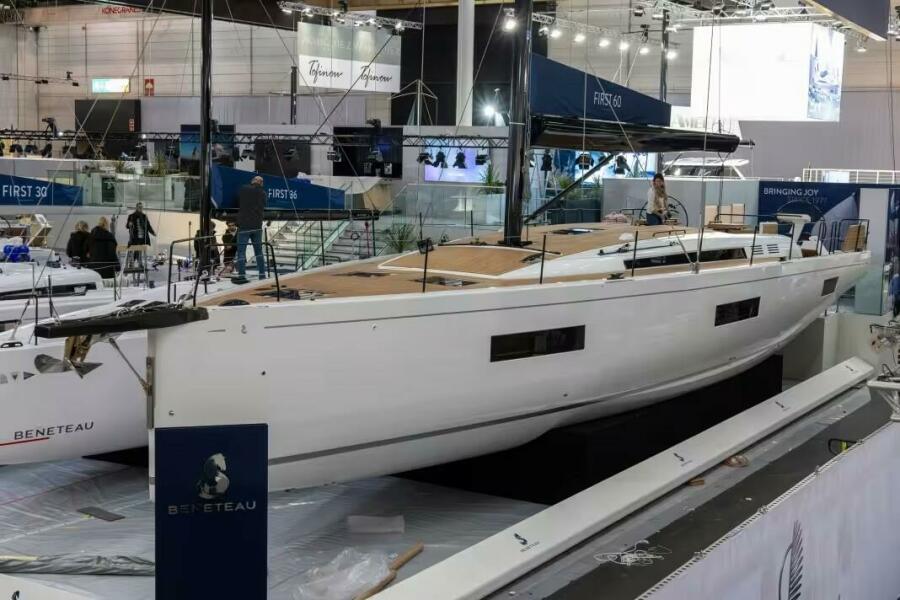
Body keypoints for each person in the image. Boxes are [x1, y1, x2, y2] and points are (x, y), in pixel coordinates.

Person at [235, 175, 267, 283]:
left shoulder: (244, 189)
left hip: (244, 226)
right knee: (258, 252)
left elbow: (238, 201)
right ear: (261, 183)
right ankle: (262, 275)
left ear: (253, 181)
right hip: (257, 226)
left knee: (241, 252)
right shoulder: (263, 193)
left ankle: (242, 275)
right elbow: (264, 205)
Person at [125, 202, 155, 269]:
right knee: (137, 250)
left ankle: (137, 263)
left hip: (142, 237)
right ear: (136, 207)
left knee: (139, 250)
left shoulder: (144, 216)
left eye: (141, 207)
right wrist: (129, 224)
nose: (140, 208)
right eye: (139, 207)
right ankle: (135, 263)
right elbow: (127, 226)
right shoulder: (131, 216)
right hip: (134, 237)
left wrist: (153, 233)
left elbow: (148, 226)